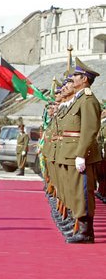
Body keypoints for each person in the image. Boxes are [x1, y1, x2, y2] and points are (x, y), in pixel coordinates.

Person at [55, 59, 101, 244]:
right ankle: (79, 225)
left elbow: (89, 129)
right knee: (74, 191)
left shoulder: (88, 100)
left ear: (84, 79)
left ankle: (86, 231)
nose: (72, 78)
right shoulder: (79, 100)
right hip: (70, 152)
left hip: (79, 154)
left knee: (82, 192)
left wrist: (81, 153)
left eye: (76, 75)